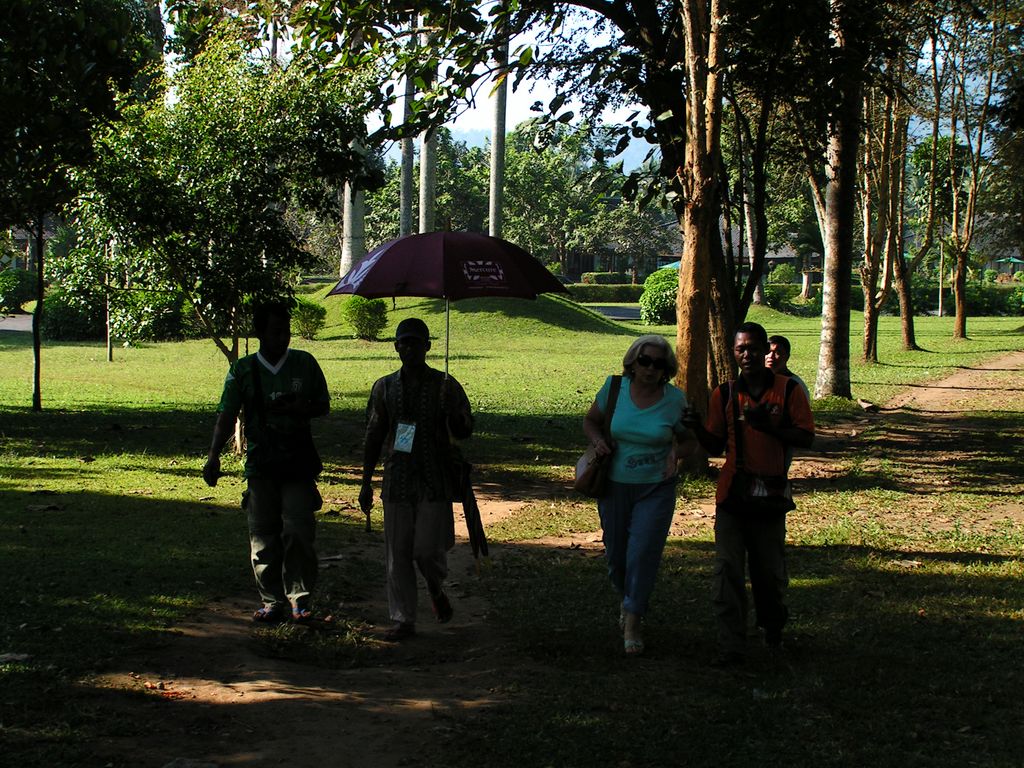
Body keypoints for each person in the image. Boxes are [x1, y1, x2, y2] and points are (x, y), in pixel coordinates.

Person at [684, 322, 814, 667]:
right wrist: (696, 426)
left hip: (770, 496)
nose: (748, 355)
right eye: (741, 349)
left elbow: (806, 437)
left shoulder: (788, 391)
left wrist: (769, 426)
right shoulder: (724, 395)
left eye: (754, 349)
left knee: (769, 573)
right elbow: (714, 445)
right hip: (732, 496)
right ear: (733, 352)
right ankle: (732, 645)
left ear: (766, 351)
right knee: (727, 568)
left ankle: (772, 631)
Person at [203, 301, 330, 624]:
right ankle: (272, 601)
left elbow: (323, 406)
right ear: (259, 333)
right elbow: (226, 415)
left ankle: (300, 600)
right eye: (276, 332)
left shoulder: (304, 364)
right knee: (263, 535)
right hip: (261, 464)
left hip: (298, 461)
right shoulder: (242, 370)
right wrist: (214, 456)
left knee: (299, 530)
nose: (283, 338)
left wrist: (301, 407)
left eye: (286, 331)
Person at [359, 318, 474, 642]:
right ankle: (403, 618)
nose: (409, 349)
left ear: (427, 346)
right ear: (396, 346)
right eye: (403, 343)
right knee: (397, 554)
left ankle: (435, 588)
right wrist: (366, 481)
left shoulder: (445, 385)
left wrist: (454, 417)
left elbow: (466, 429)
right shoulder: (384, 387)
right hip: (397, 479)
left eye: (415, 342)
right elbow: (374, 435)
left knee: (426, 550)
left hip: (433, 479)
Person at [583, 334, 690, 656]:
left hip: (655, 488)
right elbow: (591, 421)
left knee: (642, 553)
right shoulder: (614, 389)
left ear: (666, 369)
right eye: (645, 361)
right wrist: (598, 440)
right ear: (632, 362)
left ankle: (632, 621)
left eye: (659, 363)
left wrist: (676, 453)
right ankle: (627, 598)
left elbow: (689, 440)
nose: (651, 368)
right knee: (616, 557)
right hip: (614, 484)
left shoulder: (675, 400)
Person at [766, 335, 810, 402]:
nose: (770, 356)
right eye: (768, 352)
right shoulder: (755, 382)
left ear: (787, 357)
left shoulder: (794, 385)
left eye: (777, 352)